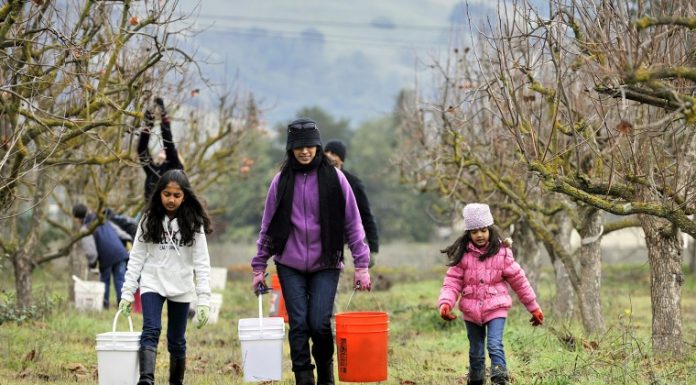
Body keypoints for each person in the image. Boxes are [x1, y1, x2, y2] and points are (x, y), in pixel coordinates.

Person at [250, 118, 372, 385]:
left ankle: (326, 375)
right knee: (299, 324)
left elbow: (353, 223)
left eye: (310, 146)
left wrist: (362, 265)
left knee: (318, 323)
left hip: (326, 262)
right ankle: (303, 377)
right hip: (289, 263)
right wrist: (259, 268)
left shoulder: (336, 179)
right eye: (298, 147)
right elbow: (267, 228)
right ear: (290, 149)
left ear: (317, 146)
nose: (304, 152)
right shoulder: (281, 181)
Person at [118, 169, 213, 385]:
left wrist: (204, 300)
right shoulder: (148, 219)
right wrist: (127, 292)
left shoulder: (194, 223)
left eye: (177, 195)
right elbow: (136, 257)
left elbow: (202, 263)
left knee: (176, 341)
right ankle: (146, 379)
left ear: (185, 196)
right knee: (150, 330)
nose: (171, 199)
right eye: (167, 194)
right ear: (159, 194)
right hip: (153, 282)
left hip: (181, 286)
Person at [438, 203, 544, 385]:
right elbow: (452, 282)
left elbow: (519, 281)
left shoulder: (502, 253)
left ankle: (500, 379)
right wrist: (446, 303)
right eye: (474, 231)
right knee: (476, 351)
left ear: (490, 229)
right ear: (468, 234)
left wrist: (533, 307)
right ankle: (476, 380)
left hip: (496, 307)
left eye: (483, 230)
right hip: (471, 311)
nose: (479, 235)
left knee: (494, 345)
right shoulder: (463, 255)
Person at [324, 139, 380, 267]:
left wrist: (373, 248)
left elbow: (366, 216)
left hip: (339, 243)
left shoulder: (353, 184)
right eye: (326, 152)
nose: (329, 156)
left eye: (334, 153)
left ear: (342, 159)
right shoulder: (316, 179)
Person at [72, 204, 131, 309]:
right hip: (120, 253)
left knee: (105, 281)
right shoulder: (102, 219)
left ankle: (105, 304)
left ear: (77, 218)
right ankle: (122, 306)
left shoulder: (86, 228)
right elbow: (119, 232)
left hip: (106, 257)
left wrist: (92, 263)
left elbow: (91, 251)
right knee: (120, 280)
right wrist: (128, 239)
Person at [138, 97, 185, 202]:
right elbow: (142, 150)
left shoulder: (175, 169)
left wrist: (163, 115)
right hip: (151, 215)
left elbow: (168, 143)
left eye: (165, 150)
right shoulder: (153, 170)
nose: (162, 149)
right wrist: (148, 123)